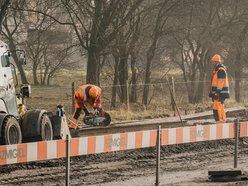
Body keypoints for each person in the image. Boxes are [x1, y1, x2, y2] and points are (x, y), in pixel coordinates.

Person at [209, 54, 230, 123]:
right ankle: (218, 121)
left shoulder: (220, 70)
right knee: (216, 107)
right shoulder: (217, 70)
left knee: (219, 107)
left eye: (213, 62)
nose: (212, 63)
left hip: (220, 93)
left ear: (217, 62)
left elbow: (220, 82)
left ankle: (221, 121)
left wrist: (217, 92)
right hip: (218, 93)